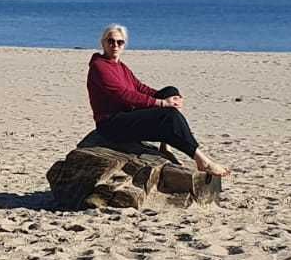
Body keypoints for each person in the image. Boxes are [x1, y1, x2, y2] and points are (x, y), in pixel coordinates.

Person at [86, 24, 231, 178]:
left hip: (128, 114)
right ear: (103, 43)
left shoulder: (121, 66)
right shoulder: (99, 67)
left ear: (124, 45)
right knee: (169, 116)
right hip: (111, 124)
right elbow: (123, 95)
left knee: (171, 91)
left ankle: (165, 144)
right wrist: (162, 103)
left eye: (119, 42)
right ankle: (203, 161)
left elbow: (139, 87)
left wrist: (166, 98)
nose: (115, 45)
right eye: (110, 41)